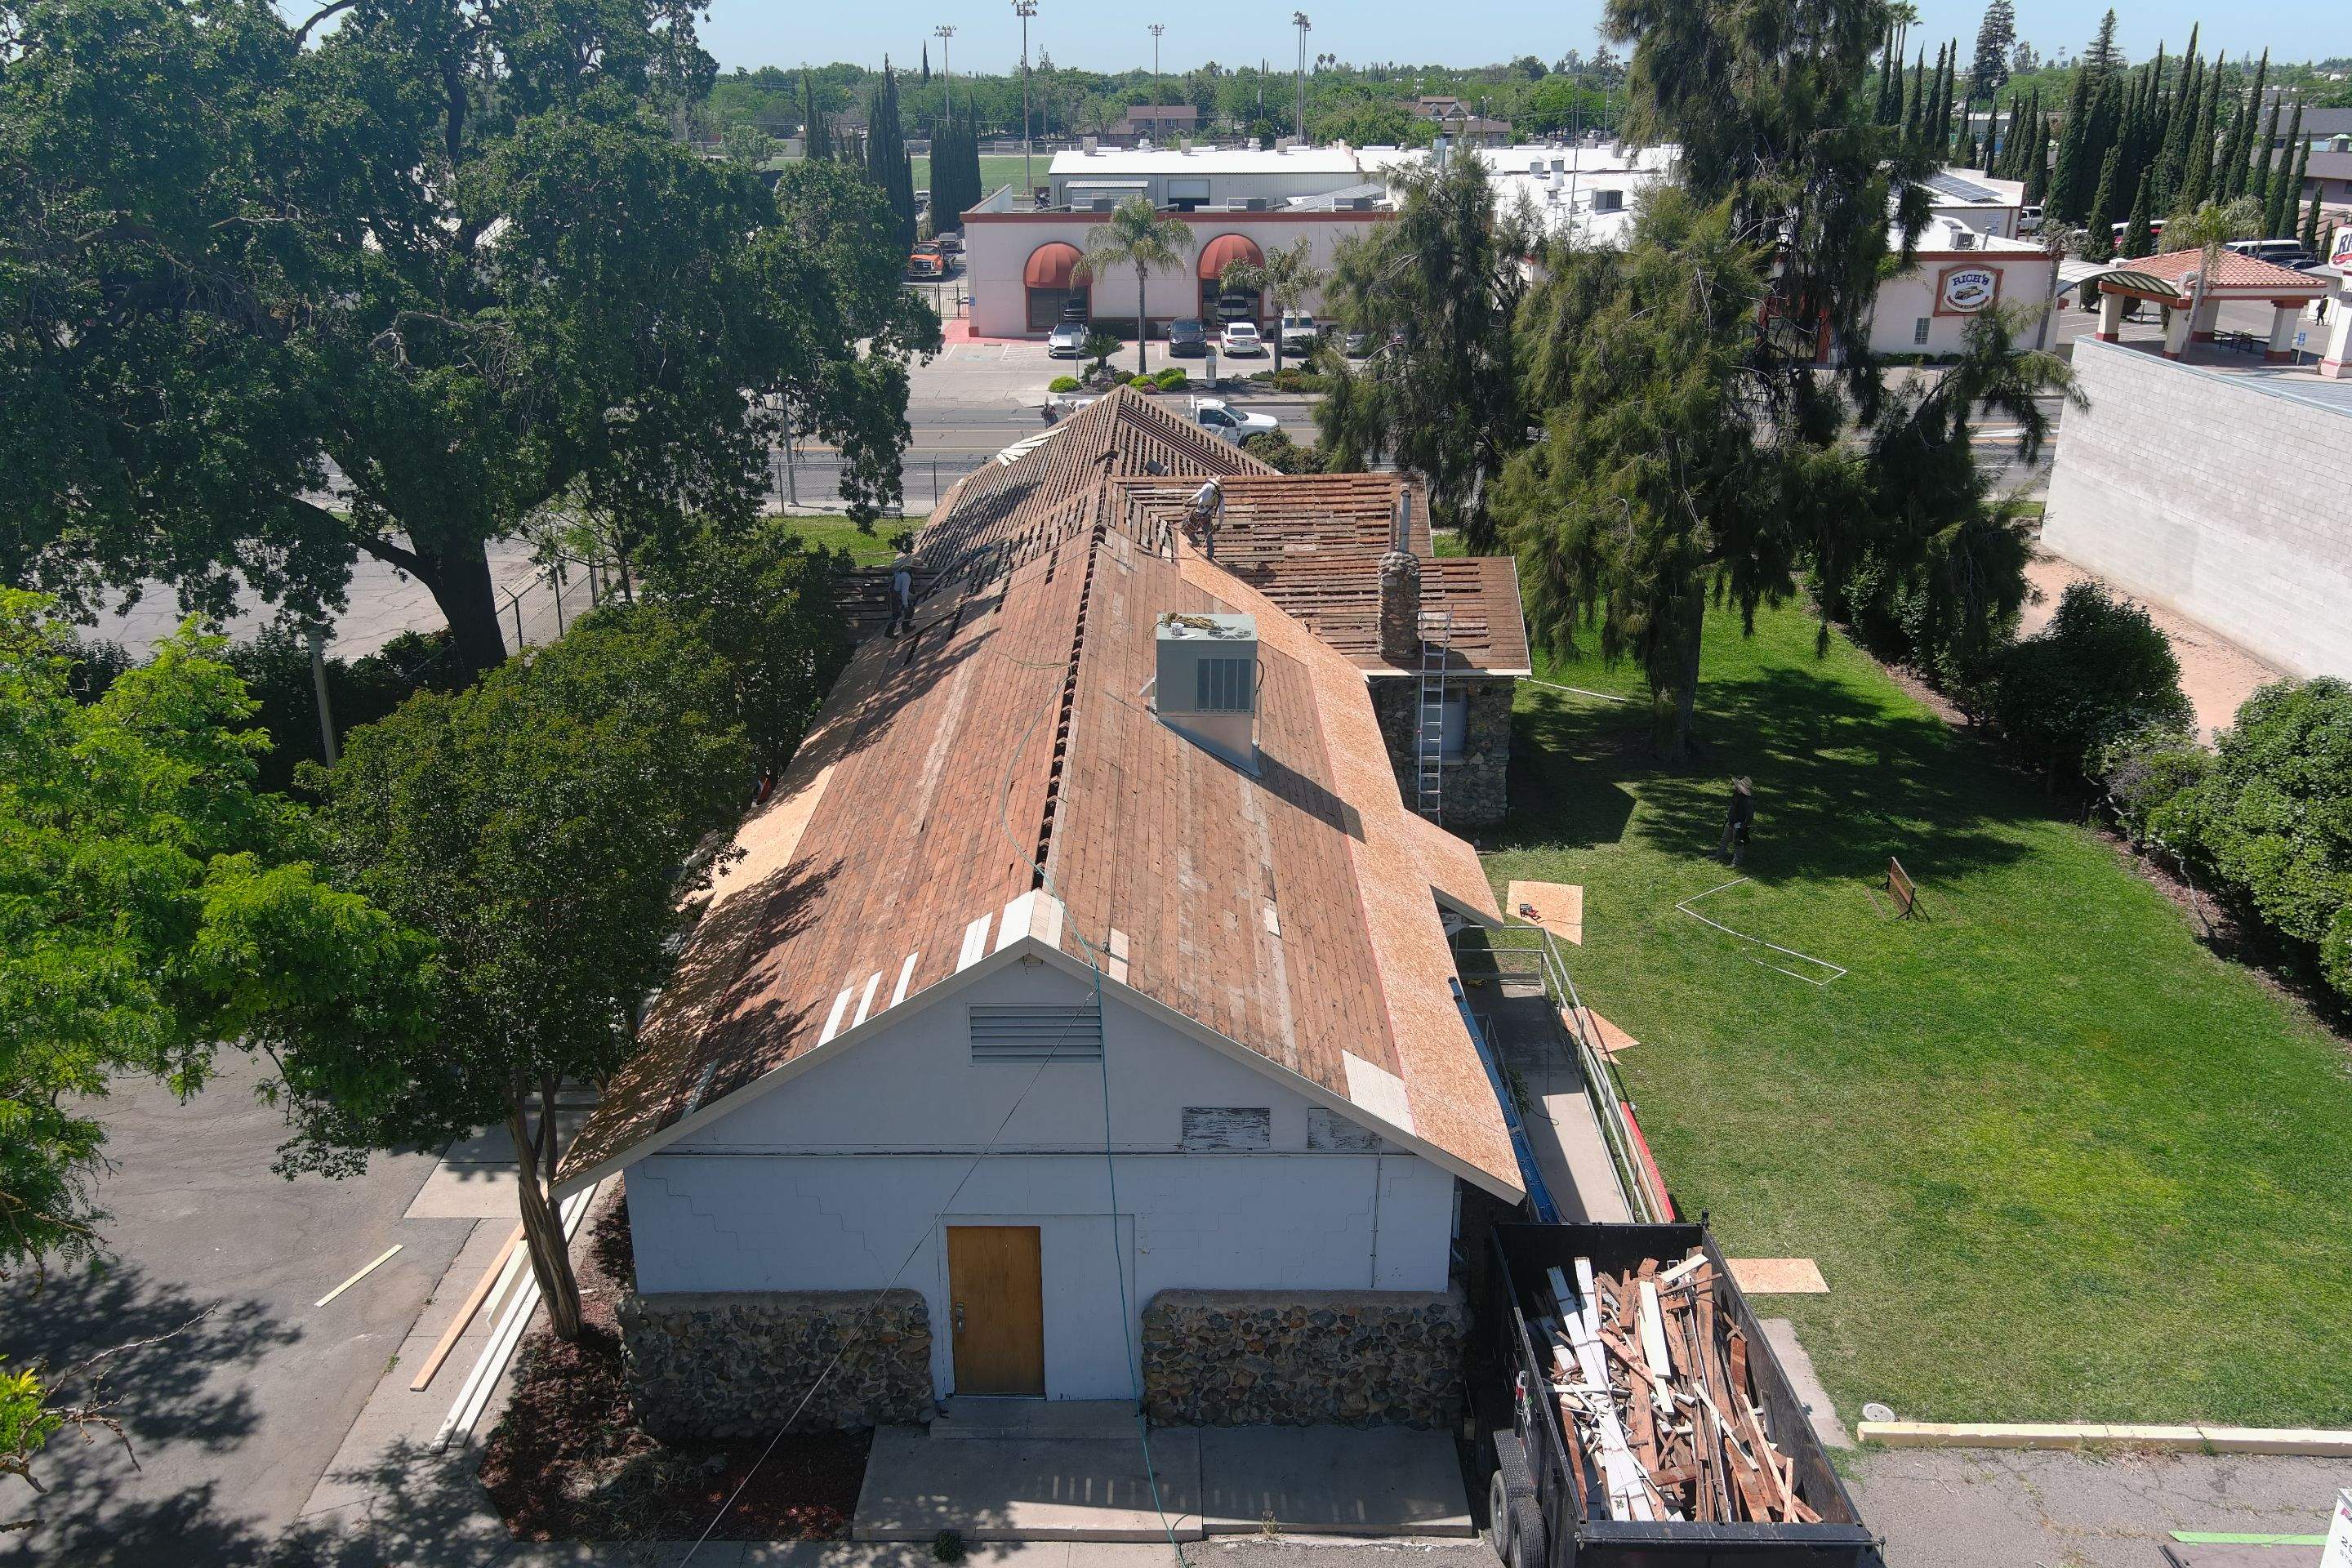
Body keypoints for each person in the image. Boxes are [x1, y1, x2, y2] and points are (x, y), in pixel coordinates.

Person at [1716, 776, 1754, 866]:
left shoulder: (1747, 801)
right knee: (1724, 840)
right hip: (1730, 822)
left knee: (1738, 844)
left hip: (1738, 824)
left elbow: (1750, 816)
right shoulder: (1736, 795)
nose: (1735, 787)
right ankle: (1719, 855)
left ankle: (1735, 863)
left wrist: (1743, 825)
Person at [884, 551, 915, 638]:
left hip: (894, 593)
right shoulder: (907, 576)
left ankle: (890, 631)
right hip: (896, 595)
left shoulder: (902, 571)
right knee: (908, 610)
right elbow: (904, 592)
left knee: (897, 614)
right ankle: (905, 627)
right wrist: (906, 606)